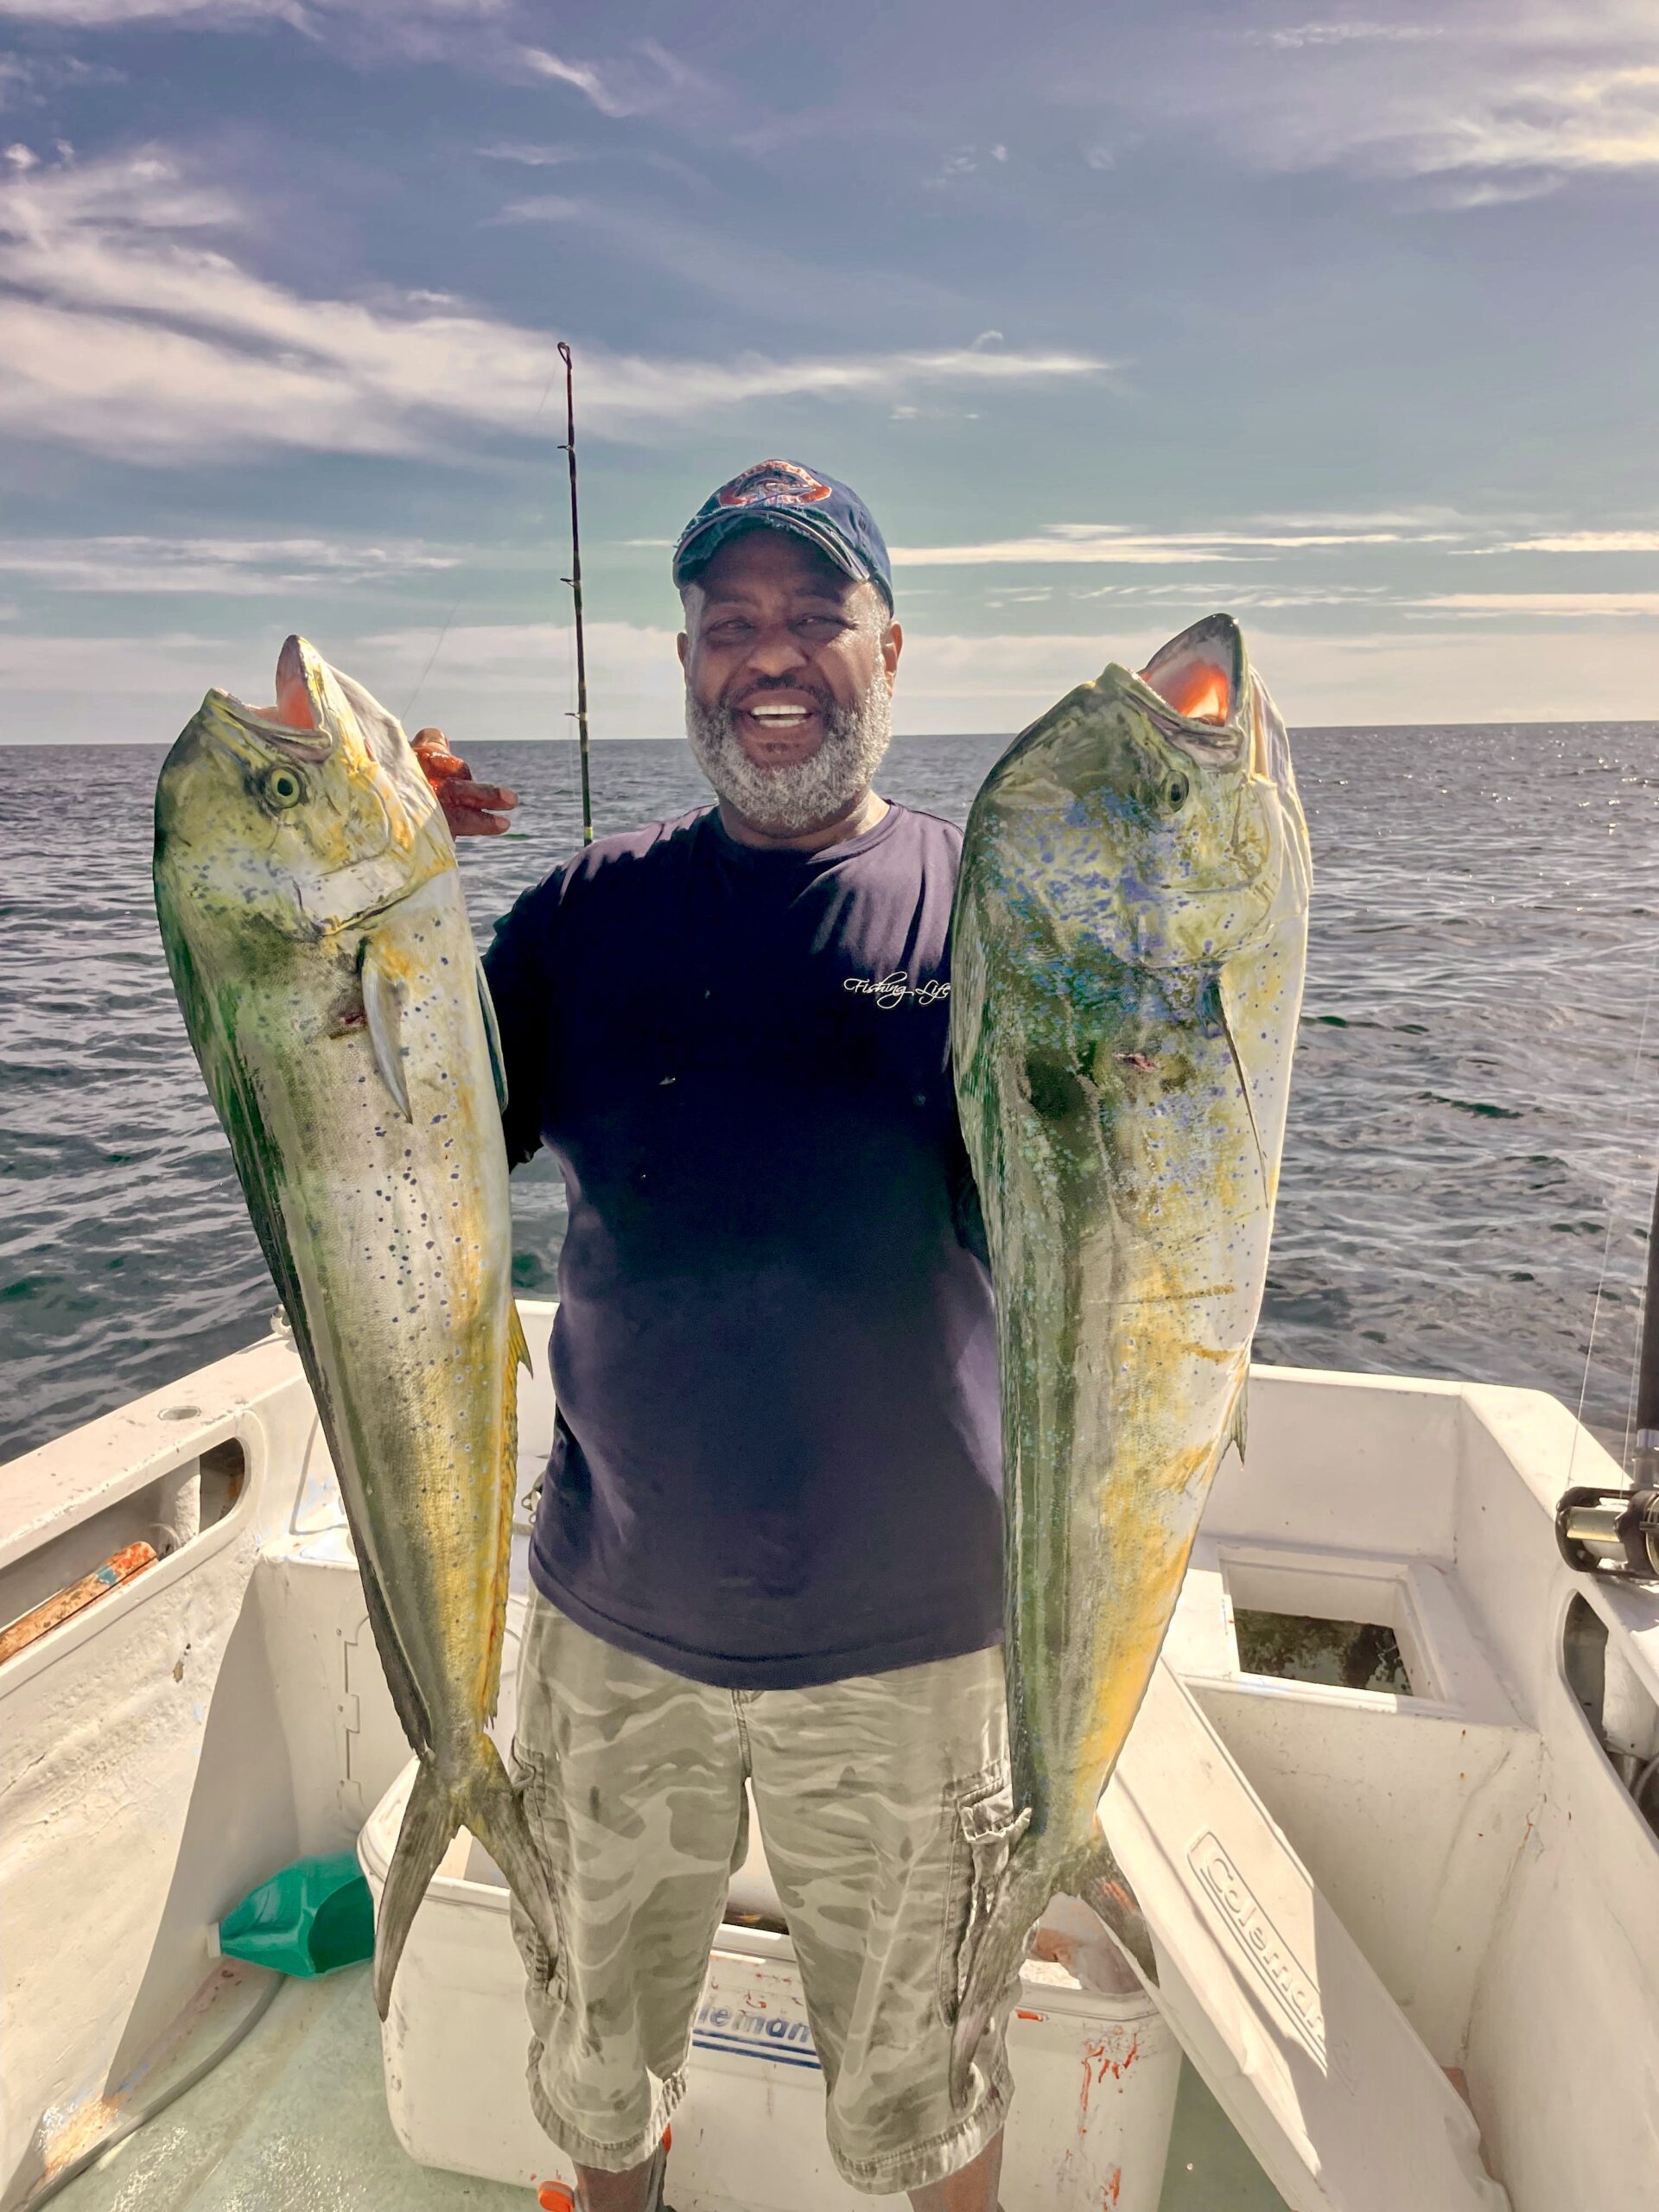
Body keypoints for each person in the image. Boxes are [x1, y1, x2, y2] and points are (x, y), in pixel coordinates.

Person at [415, 461, 1016, 2212]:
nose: (770, 655)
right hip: (617, 1622)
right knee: (601, 2075)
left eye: (812, 614)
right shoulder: (583, 921)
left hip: (918, 1641)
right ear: (683, 658)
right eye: (728, 620)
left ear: (888, 646)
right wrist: (368, 863)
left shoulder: (989, 915)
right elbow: (393, 1135)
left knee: (934, 2094)